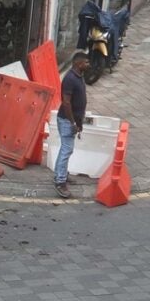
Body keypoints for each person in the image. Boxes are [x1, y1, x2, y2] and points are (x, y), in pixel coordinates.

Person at [55, 50, 89, 198]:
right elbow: (66, 102)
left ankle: (60, 174)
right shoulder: (69, 79)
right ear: (78, 63)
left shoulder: (79, 76)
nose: (88, 64)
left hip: (72, 120)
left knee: (65, 149)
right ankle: (60, 182)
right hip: (66, 120)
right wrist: (73, 122)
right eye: (86, 62)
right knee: (67, 150)